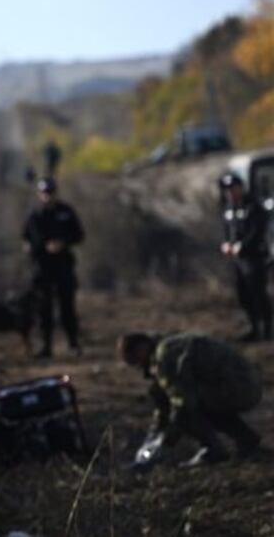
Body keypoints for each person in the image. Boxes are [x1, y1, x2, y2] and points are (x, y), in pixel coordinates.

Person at [118, 332, 263, 469]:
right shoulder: (169, 346)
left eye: (135, 361)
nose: (140, 367)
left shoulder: (165, 356)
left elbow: (182, 404)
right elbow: (165, 402)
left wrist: (165, 441)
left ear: (141, 349)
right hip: (246, 385)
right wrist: (154, 434)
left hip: (237, 388)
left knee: (189, 408)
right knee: (194, 402)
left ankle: (213, 450)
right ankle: (246, 440)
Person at [21, 177, 85, 358]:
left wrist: (62, 243)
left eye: (50, 192)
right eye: (44, 193)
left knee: (67, 307)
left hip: (64, 266)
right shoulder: (35, 214)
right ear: (39, 194)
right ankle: (46, 346)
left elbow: (79, 235)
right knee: (44, 309)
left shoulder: (66, 212)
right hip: (42, 269)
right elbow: (25, 238)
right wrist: (35, 247)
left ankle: (73, 343)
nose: (48, 196)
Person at [219, 172, 272, 342]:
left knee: (258, 294)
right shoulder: (229, 208)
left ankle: (268, 329)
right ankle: (254, 327)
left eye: (233, 189)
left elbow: (258, 231)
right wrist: (226, 244)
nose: (230, 193)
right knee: (244, 295)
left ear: (241, 187)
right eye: (227, 190)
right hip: (238, 260)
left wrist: (242, 246)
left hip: (254, 257)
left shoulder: (253, 206)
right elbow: (228, 230)